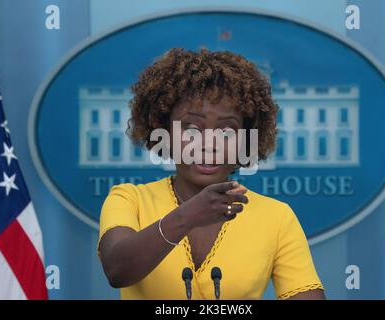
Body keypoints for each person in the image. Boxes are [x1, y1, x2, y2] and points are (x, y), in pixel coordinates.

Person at [97, 48, 325, 300]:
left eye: (227, 131)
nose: (209, 143)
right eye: (192, 129)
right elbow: (118, 270)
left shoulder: (277, 218)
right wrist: (189, 215)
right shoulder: (129, 199)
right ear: (163, 132)